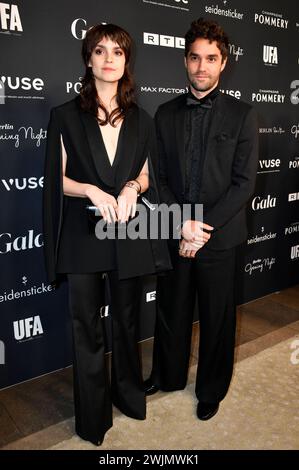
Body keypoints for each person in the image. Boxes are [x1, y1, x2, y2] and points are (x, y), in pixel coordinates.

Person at [43, 24, 171, 446]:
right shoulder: (64, 116)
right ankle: (92, 417)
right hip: (82, 234)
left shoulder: (142, 119)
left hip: (128, 230)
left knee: (128, 321)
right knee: (87, 328)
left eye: (118, 52)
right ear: (88, 60)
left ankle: (130, 397)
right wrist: (92, 189)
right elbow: (55, 180)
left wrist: (134, 187)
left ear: (126, 61)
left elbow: (148, 174)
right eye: (101, 51)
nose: (110, 59)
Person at [144, 18, 259, 420]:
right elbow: (156, 178)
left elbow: (243, 184)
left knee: (217, 317)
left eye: (211, 58)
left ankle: (212, 387)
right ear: (185, 61)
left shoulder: (242, 115)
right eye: (195, 58)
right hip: (176, 231)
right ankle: (167, 374)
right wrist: (182, 224)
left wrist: (202, 227)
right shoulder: (164, 114)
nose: (201, 67)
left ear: (223, 63)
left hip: (219, 237)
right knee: (172, 311)